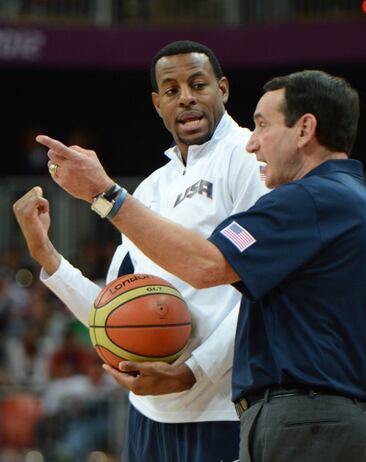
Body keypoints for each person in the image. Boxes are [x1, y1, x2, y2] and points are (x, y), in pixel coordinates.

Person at [17, 69, 366, 462]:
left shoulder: (306, 201)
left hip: (303, 420)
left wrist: (107, 196)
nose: (252, 144)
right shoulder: (362, 206)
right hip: (337, 417)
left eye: (262, 126)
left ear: (304, 129)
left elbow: (207, 264)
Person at [13, 40, 268, 462]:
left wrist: (192, 371)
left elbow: (262, 291)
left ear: (222, 89)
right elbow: (113, 309)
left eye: (198, 84)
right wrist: (47, 257)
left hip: (223, 409)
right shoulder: (150, 188)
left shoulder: (246, 158)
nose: (185, 96)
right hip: (146, 416)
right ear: (157, 103)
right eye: (171, 89)